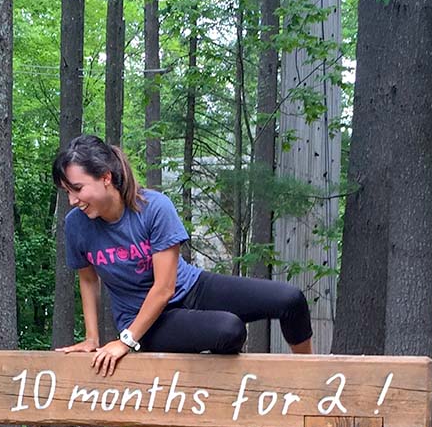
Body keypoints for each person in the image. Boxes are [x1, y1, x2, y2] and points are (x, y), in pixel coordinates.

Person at [52, 134, 313, 377]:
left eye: (77, 188)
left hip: (190, 288)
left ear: (106, 177)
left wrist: (124, 343)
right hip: (142, 321)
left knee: (291, 300)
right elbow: (88, 279)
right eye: (67, 192)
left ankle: (310, 379)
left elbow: (164, 288)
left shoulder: (153, 208)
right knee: (229, 330)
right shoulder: (77, 225)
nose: (73, 200)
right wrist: (93, 338)